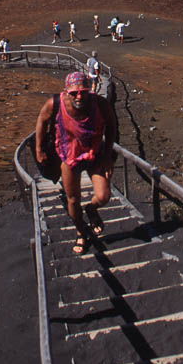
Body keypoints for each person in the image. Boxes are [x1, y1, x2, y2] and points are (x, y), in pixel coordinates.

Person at [35, 71, 116, 254]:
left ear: (90, 90)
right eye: (74, 92)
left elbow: (111, 125)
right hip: (68, 157)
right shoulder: (54, 104)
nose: (79, 96)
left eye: (83, 91)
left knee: (103, 196)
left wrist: (108, 155)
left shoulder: (100, 104)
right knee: (73, 199)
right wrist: (39, 149)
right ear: (66, 91)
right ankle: (81, 232)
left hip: (95, 154)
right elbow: (41, 120)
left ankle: (91, 209)